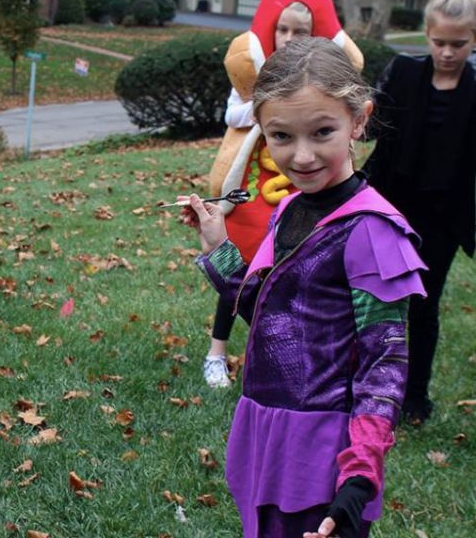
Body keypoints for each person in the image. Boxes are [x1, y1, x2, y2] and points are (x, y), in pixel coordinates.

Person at [182, 37, 426, 538]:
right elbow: (275, 319)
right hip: (268, 433)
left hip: (324, 456)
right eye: (282, 136)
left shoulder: (370, 230)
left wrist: (359, 475)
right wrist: (219, 246)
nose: (303, 155)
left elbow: (385, 363)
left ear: (359, 120)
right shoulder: (291, 209)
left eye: (322, 132)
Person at [203, 0, 365, 388]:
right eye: (283, 29)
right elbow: (235, 118)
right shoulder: (250, 83)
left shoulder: (365, 224)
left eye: (301, 31)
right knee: (247, 266)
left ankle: (281, 350)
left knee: (291, 274)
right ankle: (218, 351)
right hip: (253, 195)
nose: (290, 38)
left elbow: (386, 340)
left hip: (299, 198)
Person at [362, 0, 476, 425]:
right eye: (439, 42)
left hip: (444, 217)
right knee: (375, 299)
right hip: (391, 205)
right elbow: (371, 129)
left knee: (424, 307)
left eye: (459, 44)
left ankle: (414, 397)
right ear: (426, 35)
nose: (447, 52)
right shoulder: (404, 73)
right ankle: (366, 383)